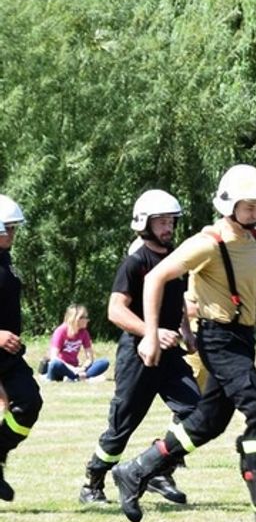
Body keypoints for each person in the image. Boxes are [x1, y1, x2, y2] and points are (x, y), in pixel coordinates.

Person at [109, 164, 256, 522]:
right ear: (229, 205)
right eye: (249, 207)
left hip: (244, 339)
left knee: (207, 422)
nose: (255, 214)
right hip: (218, 338)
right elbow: (155, 277)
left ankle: (135, 470)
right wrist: (150, 334)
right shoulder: (207, 242)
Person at [79, 189, 199, 506]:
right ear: (143, 223)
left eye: (171, 221)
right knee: (121, 428)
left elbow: (180, 303)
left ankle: (157, 467)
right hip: (137, 355)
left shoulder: (175, 261)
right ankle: (92, 483)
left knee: (197, 412)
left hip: (170, 354)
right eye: (161, 221)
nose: (168, 227)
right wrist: (152, 332)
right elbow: (115, 310)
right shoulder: (134, 263)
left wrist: (186, 332)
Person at [0, 195, 43, 501]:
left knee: (28, 404)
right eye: (9, 229)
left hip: (9, 356)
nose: (14, 236)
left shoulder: (6, 261)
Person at [46, 305, 110, 382]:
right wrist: (73, 369)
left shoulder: (84, 333)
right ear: (77, 319)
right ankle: (78, 377)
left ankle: (78, 377)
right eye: (85, 318)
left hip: (76, 367)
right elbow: (54, 357)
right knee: (54, 364)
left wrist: (83, 368)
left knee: (104, 362)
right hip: (63, 366)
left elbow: (90, 358)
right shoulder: (61, 331)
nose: (88, 320)